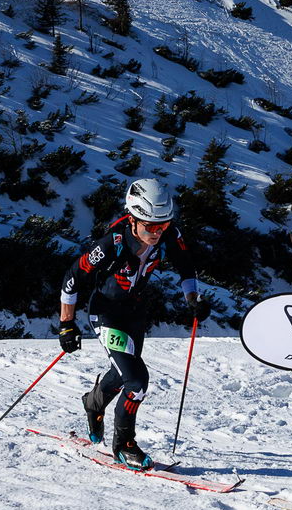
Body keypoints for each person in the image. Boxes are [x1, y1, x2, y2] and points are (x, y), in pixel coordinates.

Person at [58, 178, 199, 470]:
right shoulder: (113, 243)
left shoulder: (168, 232)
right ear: (133, 219)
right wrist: (66, 324)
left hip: (134, 313)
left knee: (122, 370)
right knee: (136, 382)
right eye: (150, 227)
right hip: (105, 313)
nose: (158, 233)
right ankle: (124, 445)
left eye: (163, 225)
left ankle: (93, 403)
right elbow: (73, 278)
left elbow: (186, 265)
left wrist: (193, 299)